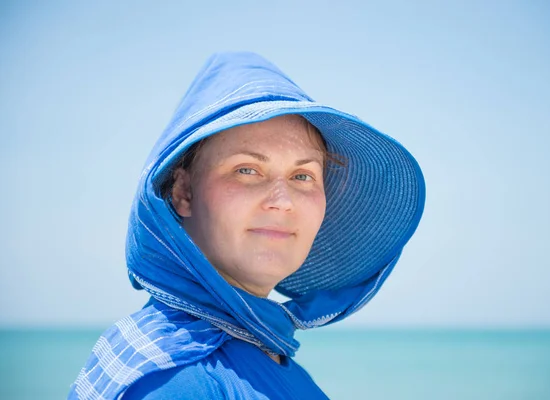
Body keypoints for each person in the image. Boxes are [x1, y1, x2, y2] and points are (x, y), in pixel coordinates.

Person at [68, 51, 425, 399]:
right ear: (184, 192)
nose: (283, 201)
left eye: (303, 176)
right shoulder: (175, 383)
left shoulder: (272, 358)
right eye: (247, 170)